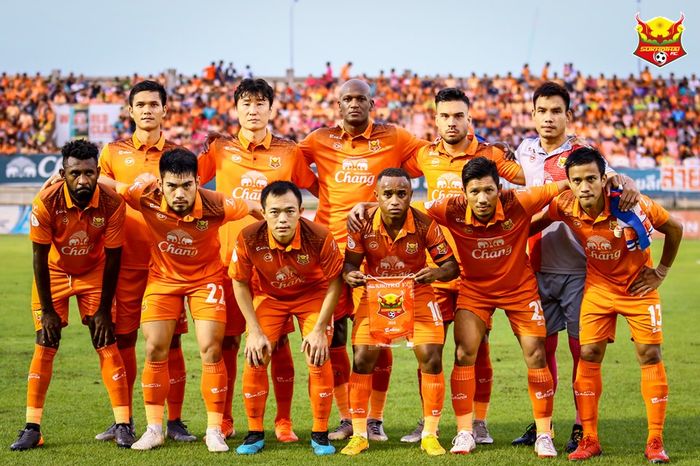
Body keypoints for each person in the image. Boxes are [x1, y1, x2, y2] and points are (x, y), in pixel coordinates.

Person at [512, 81, 640, 452]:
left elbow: (613, 177)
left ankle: (583, 427)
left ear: (568, 115)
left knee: (580, 351)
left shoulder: (584, 152)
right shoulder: (526, 150)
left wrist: (625, 179)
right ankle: (544, 426)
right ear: (533, 115)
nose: (548, 118)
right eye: (542, 111)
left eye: (556, 111)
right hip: (535, 265)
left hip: (580, 269)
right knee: (541, 351)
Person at [299, 78, 426, 441]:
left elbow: (431, 161)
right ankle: (346, 416)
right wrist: (318, 190)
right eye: (347, 99)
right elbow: (291, 167)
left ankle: (374, 418)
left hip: (375, 254)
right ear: (338, 106)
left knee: (379, 334)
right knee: (335, 334)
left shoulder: (396, 138)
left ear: (373, 103)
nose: (354, 104)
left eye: (361, 98)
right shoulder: (317, 139)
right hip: (329, 252)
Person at [398, 87, 525, 444]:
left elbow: (532, 177)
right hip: (435, 269)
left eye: (458, 116)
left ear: (469, 118)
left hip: (476, 273)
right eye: (444, 116)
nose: (451, 122)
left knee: (476, 348)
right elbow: (389, 175)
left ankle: (478, 423)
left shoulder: (492, 155)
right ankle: (429, 423)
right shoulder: (424, 155)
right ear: (434, 119)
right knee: (429, 350)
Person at [541, 148, 683, 463]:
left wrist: (660, 272)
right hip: (599, 289)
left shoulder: (632, 204)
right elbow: (535, 222)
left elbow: (674, 228)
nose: (584, 186)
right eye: (577, 181)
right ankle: (590, 439)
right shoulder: (565, 205)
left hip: (638, 289)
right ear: (569, 183)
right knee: (588, 354)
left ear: (604, 180)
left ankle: (655, 441)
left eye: (591, 178)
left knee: (649, 354)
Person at [116, 148, 261, 452]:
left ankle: (213, 430)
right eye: (172, 186)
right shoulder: (144, 195)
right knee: (155, 347)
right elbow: (109, 185)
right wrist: (59, 179)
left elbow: (256, 207)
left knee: (211, 347)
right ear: (160, 183)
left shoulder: (218, 203)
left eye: (187, 185)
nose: (179, 193)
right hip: (162, 281)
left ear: (198, 181)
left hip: (205, 280)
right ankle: (154, 428)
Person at [198, 78, 318, 441]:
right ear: (236, 109)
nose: (253, 110)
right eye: (246, 104)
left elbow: (318, 187)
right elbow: (188, 182)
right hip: (226, 262)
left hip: (274, 265)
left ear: (271, 108)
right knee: (230, 343)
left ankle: (282, 421)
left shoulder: (289, 152)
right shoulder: (218, 148)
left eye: (260, 103)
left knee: (277, 343)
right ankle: (228, 418)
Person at [424, 156, 568, 457]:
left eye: (488, 190)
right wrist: (369, 208)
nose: (482, 198)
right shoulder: (448, 209)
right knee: (464, 353)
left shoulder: (519, 200)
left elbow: (566, 185)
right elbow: (412, 215)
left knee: (536, 353)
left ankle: (544, 434)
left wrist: (615, 180)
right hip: (475, 291)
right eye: (474, 191)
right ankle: (465, 432)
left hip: (519, 290)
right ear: (463, 193)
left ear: (499, 187)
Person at [11, 139, 132, 450]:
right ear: (63, 173)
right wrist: (48, 311)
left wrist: (104, 309)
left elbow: (114, 256)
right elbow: (38, 257)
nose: (83, 180)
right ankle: (32, 428)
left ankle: (123, 424)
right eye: (76, 173)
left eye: (89, 173)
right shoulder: (45, 202)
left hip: (94, 273)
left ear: (97, 172)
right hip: (53, 273)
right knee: (45, 342)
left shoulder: (112, 203)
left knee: (105, 340)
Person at [96, 80, 195, 443]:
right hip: (123, 259)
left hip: (167, 263)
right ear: (131, 110)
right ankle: (124, 419)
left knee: (171, 343)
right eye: (141, 104)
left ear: (165, 109)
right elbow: (98, 182)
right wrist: (121, 188)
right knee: (123, 338)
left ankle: (176, 421)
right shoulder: (113, 151)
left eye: (155, 103)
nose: (148, 110)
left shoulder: (178, 155)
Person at [340, 168, 458, 456]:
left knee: (430, 356)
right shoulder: (361, 224)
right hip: (377, 294)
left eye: (401, 194)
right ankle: (359, 434)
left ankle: (430, 433)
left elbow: (451, 266)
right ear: (376, 196)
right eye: (388, 194)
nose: (395, 200)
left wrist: (434, 273)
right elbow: (349, 265)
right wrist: (350, 276)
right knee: (363, 357)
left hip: (418, 293)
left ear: (410, 195)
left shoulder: (424, 224)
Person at [230, 181, 341, 456]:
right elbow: (240, 283)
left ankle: (320, 433)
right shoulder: (247, 237)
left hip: (312, 296)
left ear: (301, 211)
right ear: (263, 213)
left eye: (290, 211)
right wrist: (253, 330)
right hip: (271, 298)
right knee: (255, 355)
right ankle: (255, 432)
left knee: (318, 353)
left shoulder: (320, 236)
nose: (283, 219)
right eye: (275, 212)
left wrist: (318, 329)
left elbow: (335, 282)